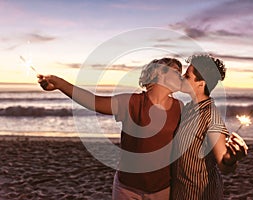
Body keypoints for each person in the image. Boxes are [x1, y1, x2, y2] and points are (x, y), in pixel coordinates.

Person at [37, 58, 183, 200]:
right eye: (176, 72)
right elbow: (93, 102)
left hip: (162, 188)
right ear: (159, 74)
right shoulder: (130, 102)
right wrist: (60, 84)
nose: (181, 77)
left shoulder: (180, 107)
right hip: (128, 187)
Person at [171, 55, 248, 200]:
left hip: (200, 194)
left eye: (187, 76)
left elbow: (224, 164)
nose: (182, 77)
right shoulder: (188, 108)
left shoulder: (211, 117)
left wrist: (232, 158)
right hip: (181, 192)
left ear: (201, 83)